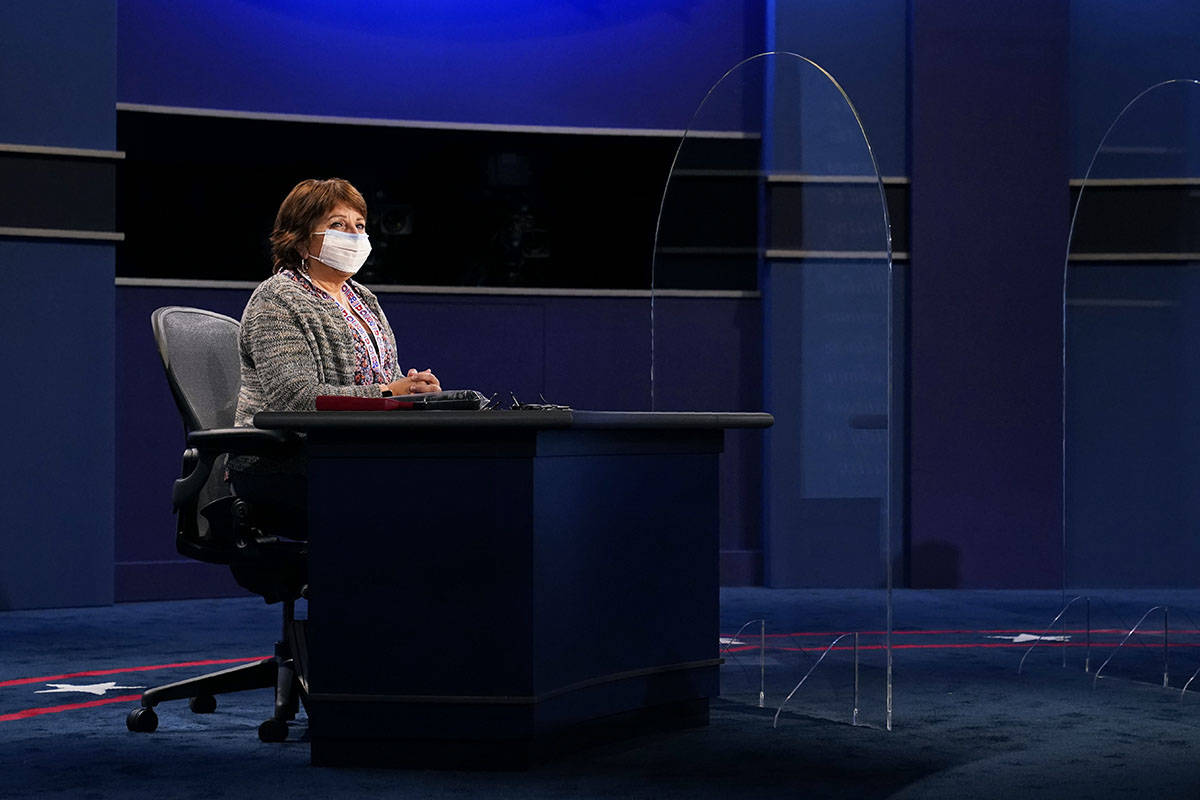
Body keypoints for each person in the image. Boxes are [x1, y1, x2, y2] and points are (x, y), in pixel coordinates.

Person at [228, 178, 440, 528]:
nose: (353, 236)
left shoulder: (364, 300)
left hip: (352, 452)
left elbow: (391, 380)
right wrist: (390, 392)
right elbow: (295, 399)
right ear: (298, 240)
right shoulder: (277, 300)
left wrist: (413, 390)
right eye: (337, 225)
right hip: (281, 461)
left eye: (359, 226)